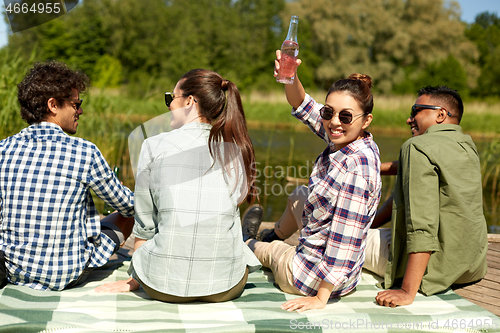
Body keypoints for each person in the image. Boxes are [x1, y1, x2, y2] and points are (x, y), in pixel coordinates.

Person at [96, 69, 261, 302]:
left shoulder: (153, 145)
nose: (169, 105)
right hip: (225, 287)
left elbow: (145, 224)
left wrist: (137, 277)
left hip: (162, 288)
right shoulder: (235, 149)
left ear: (190, 101)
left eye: (171, 98)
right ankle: (250, 239)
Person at [241, 51, 382, 312]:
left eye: (346, 116)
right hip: (323, 254)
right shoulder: (346, 136)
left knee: (272, 253)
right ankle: (275, 233)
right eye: (329, 112)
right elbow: (303, 104)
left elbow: (345, 238)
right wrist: (290, 77)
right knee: (299, 195)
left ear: (366, 120)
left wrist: (320, 298)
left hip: (311, 278)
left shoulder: (358, 167)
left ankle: (251, 242)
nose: (334, 121)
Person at [0, 60, 135, 291]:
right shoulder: (85, 151)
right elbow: (130, 206)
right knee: (125, 216)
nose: (80, 111)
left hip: (15, 272)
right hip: (67, 274)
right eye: (75, 104)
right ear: (53, 105)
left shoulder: (3, 149)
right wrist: (123, 192)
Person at [365, 85, 488, 307]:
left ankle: (278, 240)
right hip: (470, 266)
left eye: (415, 111)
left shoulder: (417, 147)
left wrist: (406, 290)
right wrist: (374, 167)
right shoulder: (466, 145)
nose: (409, 119)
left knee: (317, 223)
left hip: (433, 270)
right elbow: (408, 184)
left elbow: (422, 225)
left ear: (440, 114)